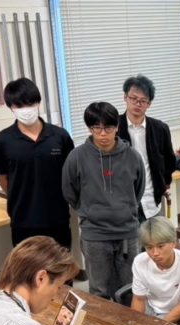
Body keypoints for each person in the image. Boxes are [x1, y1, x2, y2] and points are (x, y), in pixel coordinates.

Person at [62, 102, 145, 301]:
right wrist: (88, 210)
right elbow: (69, 192)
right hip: (95, 234)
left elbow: (138, 190)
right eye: (96, 128)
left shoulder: (132, 156)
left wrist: (124, 210)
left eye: (108, 128)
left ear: (117, 127)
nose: (102, 134)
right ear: (90, 129)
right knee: (99, 291)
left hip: (127, 233)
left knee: (130, 289)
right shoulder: (76, 157)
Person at [0, 78, 76, 247]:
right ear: (11, 107)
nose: (26, 110)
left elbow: (71, 173)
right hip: (23, 219)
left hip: (57, 217)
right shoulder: (1, 141)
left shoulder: (60, 136)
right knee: (27, 263)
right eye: (19, 105)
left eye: (30, 103)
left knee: (61, 262)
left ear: (38, 102)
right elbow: (2, 178)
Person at [117, 74, 178, 221]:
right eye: (133, 98)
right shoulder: (114, 128)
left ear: (149, 104)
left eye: (143, 101)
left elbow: (169, 161)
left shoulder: (160, 128)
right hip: (123, 204)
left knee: (156, 236)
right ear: (125, 97)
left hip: (152, 201)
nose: (138, 104)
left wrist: (163, 184)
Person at [130, 217, 180, 324]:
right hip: (151, 308)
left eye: (160, 246)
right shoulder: (140, 261)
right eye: (149, 247)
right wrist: (137, 323)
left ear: (173, 243)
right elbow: (139, 299)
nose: (155, 253)